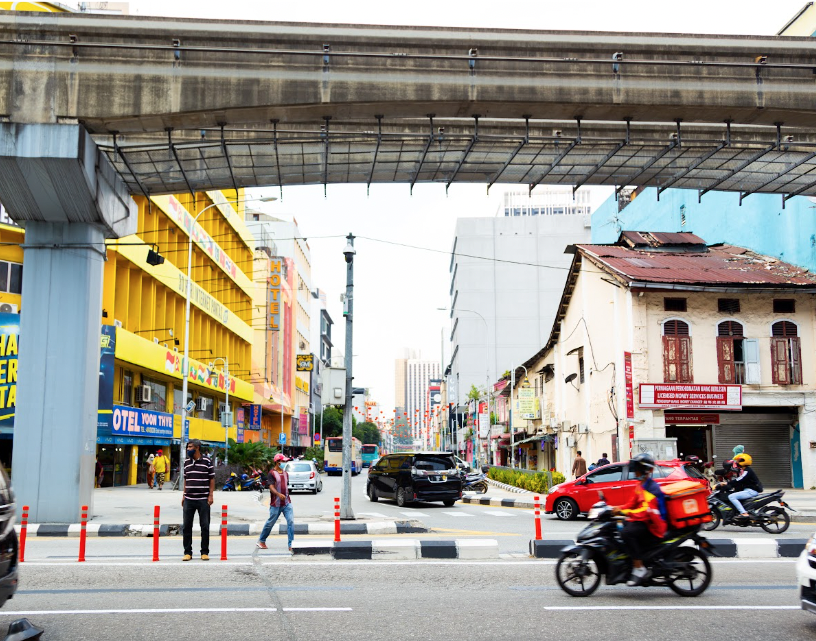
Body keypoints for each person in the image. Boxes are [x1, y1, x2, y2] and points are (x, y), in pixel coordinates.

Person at [612, 452, 668, 587]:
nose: (635, 472)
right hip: (646, 522)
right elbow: (631, 504)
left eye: (638, 469)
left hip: (655, 525)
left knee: (627, 533)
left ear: (645, 470)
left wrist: (625, 512)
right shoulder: (640, 485)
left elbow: (644, 512)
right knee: (618, 527)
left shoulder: (652, 489)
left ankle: (639, 567)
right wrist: (615, 509)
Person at [182, 439, 215, 561]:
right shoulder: (186, 462)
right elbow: (186, 479)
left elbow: (211, 479)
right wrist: (184, 495)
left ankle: (204, 552)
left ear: (197, 448)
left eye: (190, 447)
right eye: (187, 447)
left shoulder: (207, 461)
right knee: (186, 526)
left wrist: (210, 495)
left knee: (205, 526)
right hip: (189, 499)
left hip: (203, 500)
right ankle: (187, 552)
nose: (188, 449)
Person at [256, 453, 295, 552]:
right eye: (283, 461)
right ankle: (261, 541)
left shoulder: (286, 473)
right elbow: (271, 486)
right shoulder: (271, 473)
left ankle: (291, 544)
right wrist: (278, 494)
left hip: (287, 503)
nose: (284, 463)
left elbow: (285, 486)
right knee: (270, 523)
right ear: (278, 462)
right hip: (276, 504)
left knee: (290, 521)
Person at [720, 453, 762, 519]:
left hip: (751, 491)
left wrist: (727, 483)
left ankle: (743, 513)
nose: (737, 462)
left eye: (739, 460)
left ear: (744, 461)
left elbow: (739, 480)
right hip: (748, 490)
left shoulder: (747, 471)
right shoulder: (745, 470)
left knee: (731, 497)